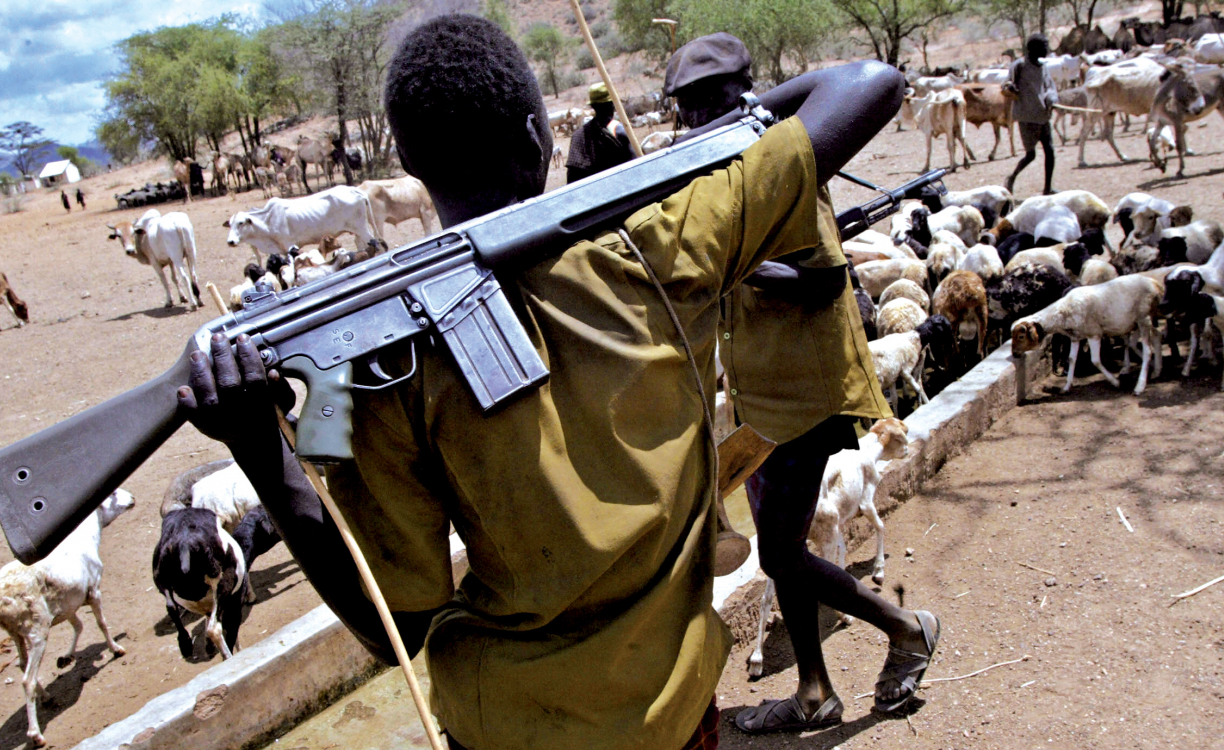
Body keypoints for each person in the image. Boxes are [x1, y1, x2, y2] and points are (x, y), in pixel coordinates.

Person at [176, 14, 911, 750]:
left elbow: (391, 624)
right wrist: (695, 153)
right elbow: (867, 84)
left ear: (409, 163)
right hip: (670, 715)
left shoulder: (376, 371)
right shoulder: (656, 241)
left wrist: (264, 449)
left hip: (501, 726)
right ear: (540, 136)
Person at [664, 33, 939, 734]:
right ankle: (814, 690)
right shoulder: (728, 179)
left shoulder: (782, 169)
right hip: (764, 397)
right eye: (688, 110)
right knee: (776, 541)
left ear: (744, 97)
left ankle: (907, 628)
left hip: (805, 395)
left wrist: (732, 264)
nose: (700, 122)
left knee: (781, 549)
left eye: (714, 104)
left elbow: (822, 281)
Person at [1003, 34, 1058, 196]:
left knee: (1050, 151)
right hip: (1027, 117)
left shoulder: (1043, 67)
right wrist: (1010, 88)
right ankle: (1011, 178)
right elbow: (1006, 84)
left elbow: (1050, 87)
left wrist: (1051, 98)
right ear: (1033, 48)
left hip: (1043, 116)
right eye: (1044, 46)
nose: (1047, 49)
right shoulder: (1019, 66)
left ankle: (1048, 188)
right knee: (1031, 155)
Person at [565, 82, 635, 183]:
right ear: (613, 105)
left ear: (593, 106)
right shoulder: (620, 130)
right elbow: (636, 165)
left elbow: (572, 177)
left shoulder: (578, 135)